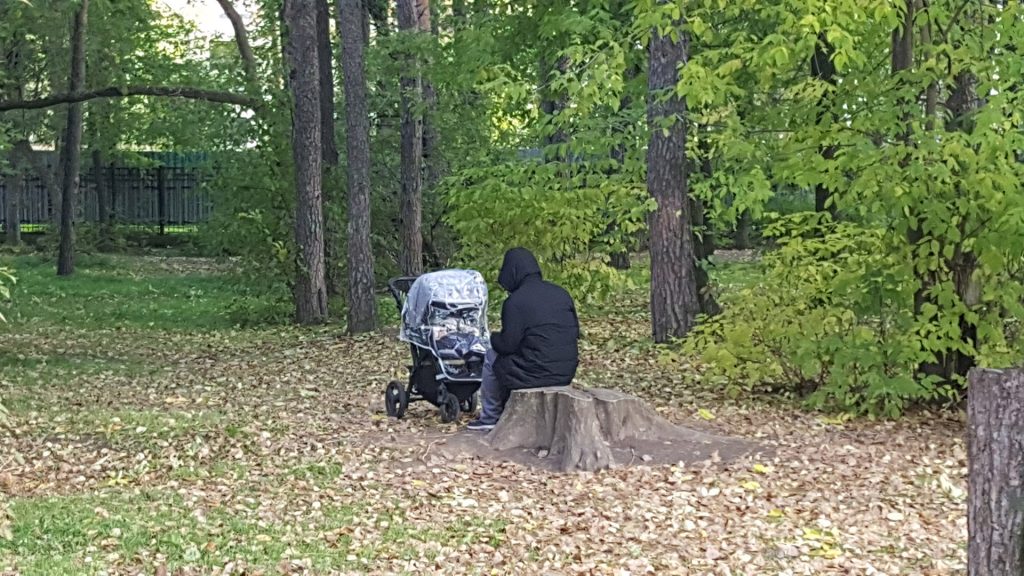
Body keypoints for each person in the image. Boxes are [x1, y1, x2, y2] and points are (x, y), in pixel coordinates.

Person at [467, 247, 580, 431]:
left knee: (491, 356)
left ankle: (490, 417)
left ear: (512, 272)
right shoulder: (561, 294)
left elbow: (507, 345)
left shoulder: (515, 302)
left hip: (535, 374)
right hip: (565, 372)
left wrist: (493, 338)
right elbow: (574, 332)